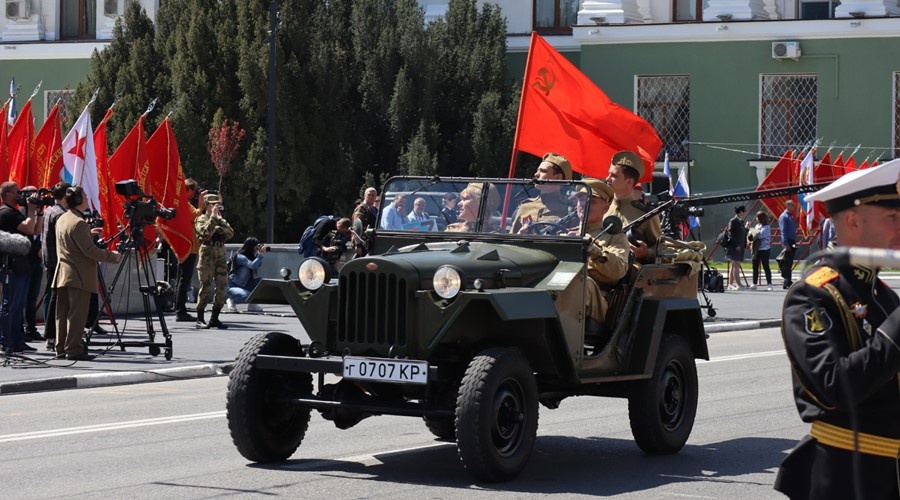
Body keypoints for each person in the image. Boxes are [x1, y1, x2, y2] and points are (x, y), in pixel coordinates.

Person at [774, 160, 900, 500]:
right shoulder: (814, 293)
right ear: (853, 220)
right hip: (847, 476)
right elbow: (834, 385)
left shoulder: (885, 296)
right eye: (892, 217)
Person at [52, 186, 121, 361]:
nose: (86, 197)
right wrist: (112, 256)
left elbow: (72, 241)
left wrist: (87, 234)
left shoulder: (63, 218)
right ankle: (74, 349)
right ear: (77, 200)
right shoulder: (80, 223)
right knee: (77, 315)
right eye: (83, 195)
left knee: (62, 314)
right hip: (78, 275)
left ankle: (60, 347)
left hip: (62, 274)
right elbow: (89, 250)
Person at [574, 179, 630, 332]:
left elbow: (619, 270)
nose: (583, 203)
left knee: (578, 282)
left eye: (591, 201)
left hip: (596, 299)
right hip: (565, 291)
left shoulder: (615, 236)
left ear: (605, 208)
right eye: (580, 198)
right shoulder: (566, 232)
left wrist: (595, 250)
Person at [0, 181, 43, 355]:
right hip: (12, 265)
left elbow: (34, 230)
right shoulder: (6, 212)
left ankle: (18, 340)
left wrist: (39, 212)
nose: (20, 196)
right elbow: (27, 227)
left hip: (22, 264)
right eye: (18, 192)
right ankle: (6, 340)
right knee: (10, 304)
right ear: (8, 193)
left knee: (18, 305)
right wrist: (31, 210)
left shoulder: (15, 212)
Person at [605, 150, 661, 265]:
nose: (607, 179)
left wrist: (646, 253)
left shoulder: (646, 215)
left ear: (629, 182)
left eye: (614, 176)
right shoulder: (602, 207)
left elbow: (661, 249)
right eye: (609, 174)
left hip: (629, 272)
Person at [194, 193, 234, 329]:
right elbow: (204, 233)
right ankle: (200, 318)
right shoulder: (201, 219)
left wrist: (218, 224)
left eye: (217, 203)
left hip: (220, 253)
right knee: (205, 286)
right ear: (206, 205)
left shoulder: (219, 218)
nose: (215, 206)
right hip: (207, 254)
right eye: (212, 204)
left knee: (222, 286)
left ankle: (214, 318)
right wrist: (212, 220)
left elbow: (230, 232)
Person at [510, 152, 573, 234]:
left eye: (543, 171)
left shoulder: (569, 209)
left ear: (558, 177)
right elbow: (511, 239)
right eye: (537, 170)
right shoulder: (525, 206)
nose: (536, 174)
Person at [41, 182, 71, 351]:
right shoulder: (60, 214)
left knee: (53, 298)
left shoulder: (50, 210)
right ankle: (52, 336)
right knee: (58, 300)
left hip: (50, 260)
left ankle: (51, 336)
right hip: (59, 262)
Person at [174, 179, 206, 322]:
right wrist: (201, 203)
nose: (195, 194)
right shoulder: (183, 204)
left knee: (183, 280)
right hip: (187, 247)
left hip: (188, 246)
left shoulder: (182, 203)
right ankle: (180, 311)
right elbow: (197, 215)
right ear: (188, 190)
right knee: (184, 280)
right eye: (194, 191)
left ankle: (180, 309)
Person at [19, 186, 44, 343]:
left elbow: (37, 232)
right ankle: (19, 328)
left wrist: (40, 212)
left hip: (36, 259)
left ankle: (31, 328)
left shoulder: (36, 212)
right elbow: (29, 231)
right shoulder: (21, 213)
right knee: (22, 297)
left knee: (32, 297)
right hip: (24, 260)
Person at [226, 237, 266, 313]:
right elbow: (252, 265)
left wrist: (260, 254)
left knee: (262, 282)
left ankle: (252, 304)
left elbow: (257, 265)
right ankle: (232, 300)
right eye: (256, 246)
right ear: (250, 246)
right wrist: (260, 255)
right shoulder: (240, 256)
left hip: (246, 284)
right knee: (247, 296)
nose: (257, 248)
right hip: (234, 286)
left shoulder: (252, 255)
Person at [748, 211, 773, 291]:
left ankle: (769, 284)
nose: (756, 219)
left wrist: (750, 229)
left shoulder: (766, 227)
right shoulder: (757, 225)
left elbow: (758, 235)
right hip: (756, 249)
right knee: (755, 266)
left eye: (757, 218)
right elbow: (751, 235)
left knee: (766, 266)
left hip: (764, 249)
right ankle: (754, 283)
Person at [725, 205, 747, 290]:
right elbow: (730, 233)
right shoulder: (733, 221)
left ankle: (730, 284)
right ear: (741, 212)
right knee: (736, 264)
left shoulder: (741, 221)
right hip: (734, 246)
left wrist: (747, 229)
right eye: (744, 211)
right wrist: (736, 244)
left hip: (739, 245)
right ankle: (739, 284)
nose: (745, 213)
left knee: (734, 265)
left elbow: (742, 232)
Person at [351, 187, 378, 254]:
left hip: (371, 242)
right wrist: (358, 245)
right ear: (365, 196)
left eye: (373, 195)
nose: (371, 197)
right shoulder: (361, 208)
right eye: (369, 195)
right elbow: (356, 227)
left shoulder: (375, 209)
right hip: (362, 242)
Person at [778, 200, 797, 289]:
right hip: (788, 241)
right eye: (792, 205)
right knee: (787, 262)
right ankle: (787, 281)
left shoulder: (790, 216)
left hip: (792, 241)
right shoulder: (784, 216)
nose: (793, 207)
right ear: (787, 205)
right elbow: (783, 231)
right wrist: (785, 244)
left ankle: (787, 280)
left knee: (790, 262)